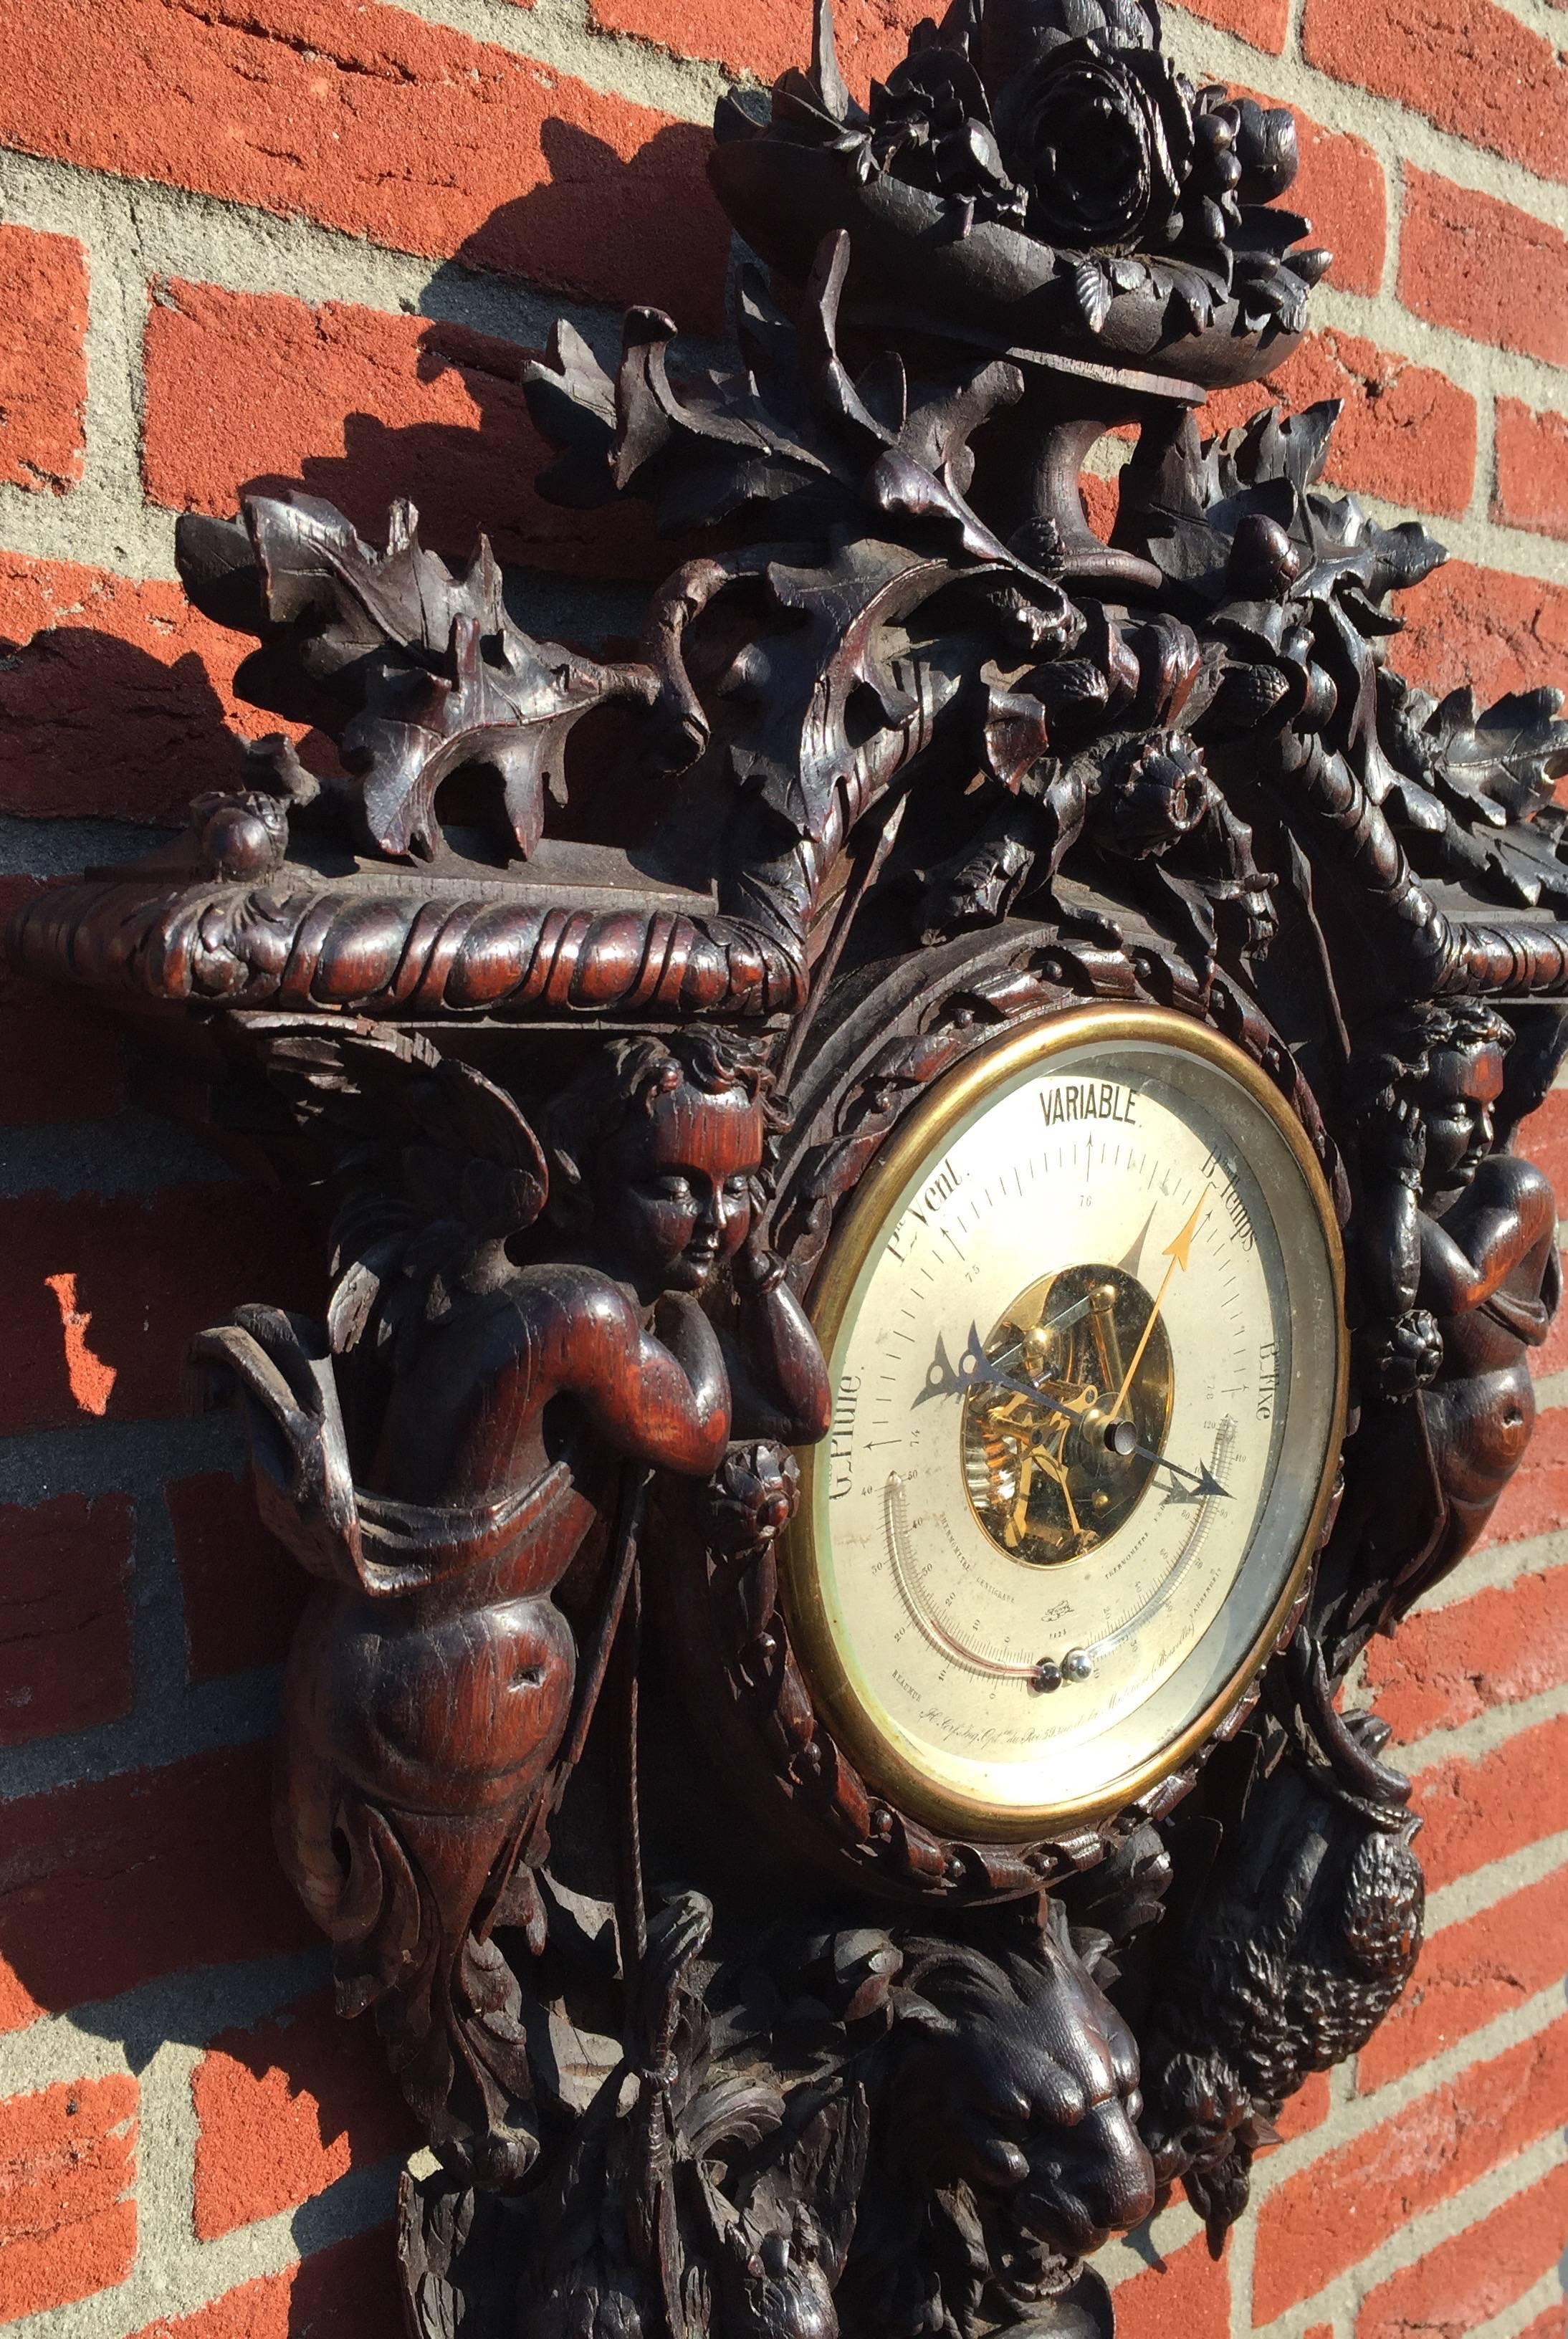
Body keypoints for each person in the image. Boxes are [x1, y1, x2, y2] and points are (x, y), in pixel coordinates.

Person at [196, 1029, 830, 2186]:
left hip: (446, 1676)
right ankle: (489, 2125)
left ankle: (505, 2095)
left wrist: (755, 1260)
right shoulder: (580, 1314)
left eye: (737, 1189)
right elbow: (702, 1423)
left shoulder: (615, 1297)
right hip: (445, 1684)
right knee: (437, 1959)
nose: (710, 1221)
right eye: (674, 1185)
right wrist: (715, 1290)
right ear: (584, 1176)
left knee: (473, 1919)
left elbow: (799, 1405)